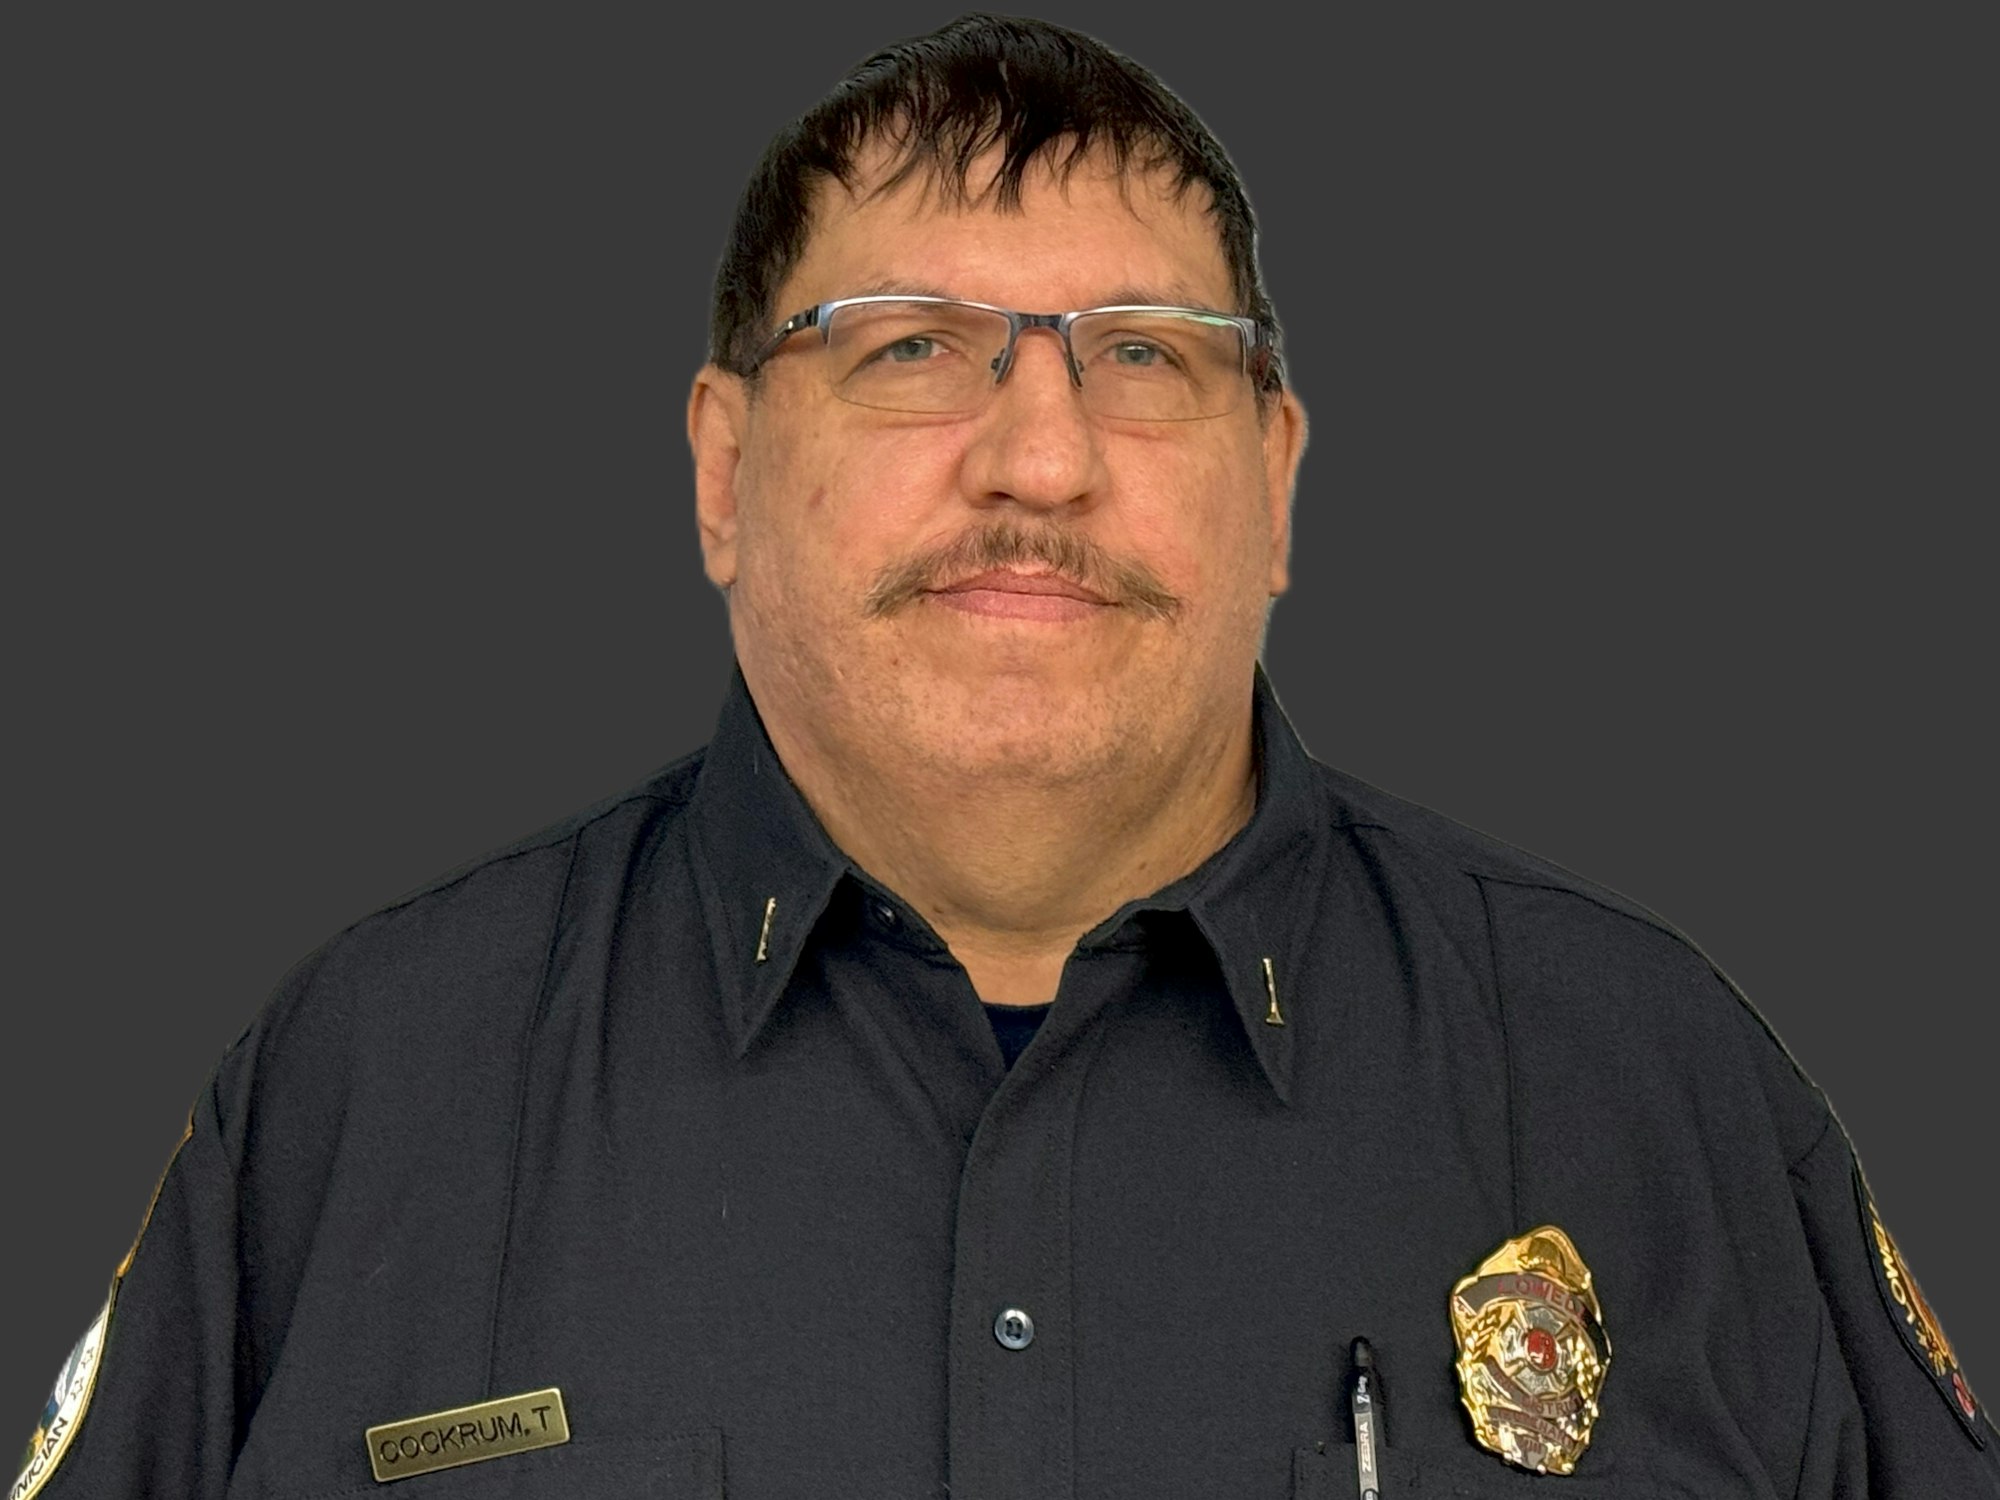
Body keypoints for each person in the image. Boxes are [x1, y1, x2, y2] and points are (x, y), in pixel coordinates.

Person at [12, 14, 1995, 1499]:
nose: (1039, 456)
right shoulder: (363, 1088)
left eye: (1142, 352)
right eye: (909, 345)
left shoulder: (1651, 1087)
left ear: (1276, 480)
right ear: (721, 473)